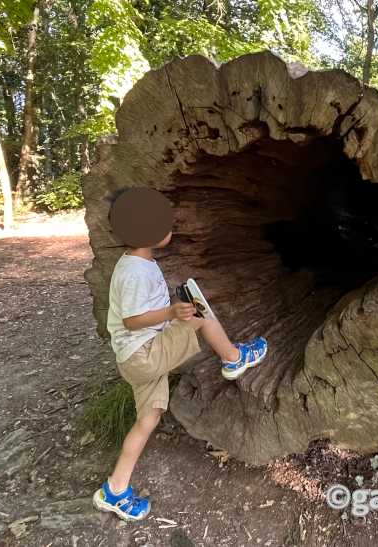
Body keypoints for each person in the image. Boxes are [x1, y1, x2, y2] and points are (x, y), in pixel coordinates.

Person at [92, 187, 267, 521]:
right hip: (143, 354)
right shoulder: (134, 272)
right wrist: (172, 314)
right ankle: (233, 358)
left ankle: (114, 490)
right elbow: (132, 319)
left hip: (138, 358)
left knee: (148, 419)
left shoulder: (136, 263)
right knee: (201, 314)